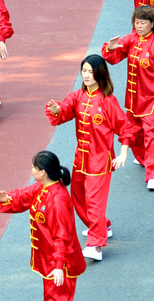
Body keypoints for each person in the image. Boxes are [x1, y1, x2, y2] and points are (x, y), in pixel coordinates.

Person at [0, 151, 85, 301]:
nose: (32, 170)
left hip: (60, 262)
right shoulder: (44, 187)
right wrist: (7, 198)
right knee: (59, 299)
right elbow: (25, 196)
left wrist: (59, 266)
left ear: (42, 172)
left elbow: (63, 235)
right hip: (49, 259)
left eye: (34, 167)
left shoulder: (58, 199)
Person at [46, 55, 132, 259]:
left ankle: (96, 245)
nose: (86, 75)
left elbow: (125, 127)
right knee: (78, 196)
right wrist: (58, 109)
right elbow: (65, 109)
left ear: (99, 74)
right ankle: (102, 226)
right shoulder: (78, 95)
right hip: (81, 159)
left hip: (100, 161)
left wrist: (122, 153)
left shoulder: (108, 101)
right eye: (83, 70)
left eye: (90, 71)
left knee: (94, 201)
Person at [102, 5, 154, 190]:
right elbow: (113, 57)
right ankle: (144, 158)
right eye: (136, 22)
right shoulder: (132, 40)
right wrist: (109, 48)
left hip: (153, 100)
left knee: (152, 136)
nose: (139, 26)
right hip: (135, 100)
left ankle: (153, 174)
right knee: (134, 133)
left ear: (152, 24)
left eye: (143, 22)